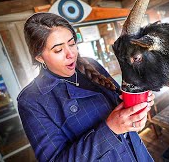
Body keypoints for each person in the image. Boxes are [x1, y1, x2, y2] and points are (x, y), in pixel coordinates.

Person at [17, 12, 155, 161]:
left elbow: (118, 104)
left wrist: (135, 105)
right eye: (58, 50)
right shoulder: (32, 100)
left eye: (71, 43)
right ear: (39, 57)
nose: (71, 54)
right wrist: (111, 129)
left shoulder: (91, 64)